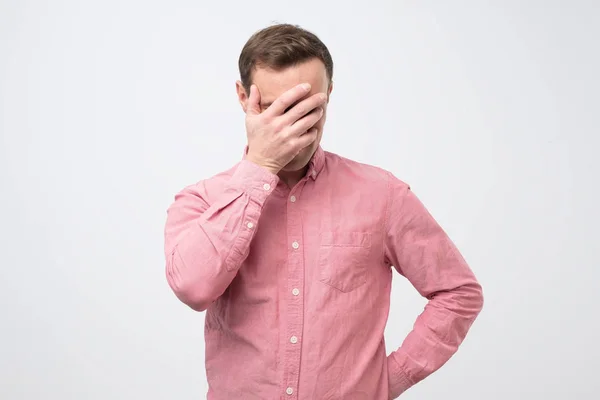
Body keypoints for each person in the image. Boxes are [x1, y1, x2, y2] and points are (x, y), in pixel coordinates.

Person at [163, 23, 484, 399]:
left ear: (329, 94)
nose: (293, 125)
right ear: (242, 97)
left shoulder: (382, 195)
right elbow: (193, 288)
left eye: (307, 107)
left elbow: (458, 292)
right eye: (275, 108)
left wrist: (390, 379)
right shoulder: (202, 201)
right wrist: (261, 166)